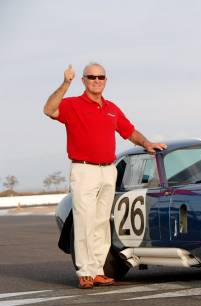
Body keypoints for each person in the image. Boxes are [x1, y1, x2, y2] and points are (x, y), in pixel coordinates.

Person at [43, 63, 166, 289]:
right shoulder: (72, 105)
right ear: (83, 80)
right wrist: (65, 83)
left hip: (108, 170)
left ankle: (98, 270)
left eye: (100, 77)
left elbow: (129, 131)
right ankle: (85, 272)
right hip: (84, 169)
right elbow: (49, 110)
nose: (96, 80)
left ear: (105, 80)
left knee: (101, 222)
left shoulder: (111, 108)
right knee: (84, 221)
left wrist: (147, 143)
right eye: (91, 77)